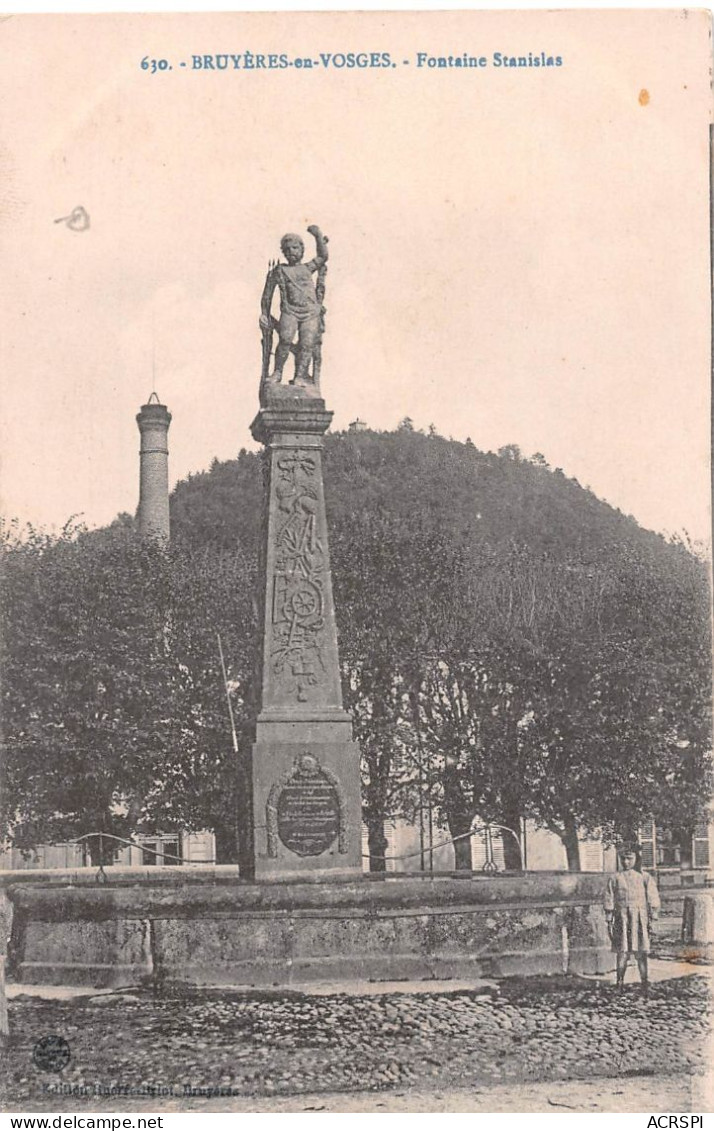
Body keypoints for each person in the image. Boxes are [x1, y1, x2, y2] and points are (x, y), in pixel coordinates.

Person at [260, 225, 329, 386]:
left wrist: (318, 236)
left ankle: (300, 375)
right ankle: (277, 373)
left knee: (307, 343)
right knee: (284, 339)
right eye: (288, 249)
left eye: (295, 247)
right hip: (290, 310)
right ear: (283, 252)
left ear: (302, 249)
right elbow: (267, 295)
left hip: (310, 312)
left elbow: (323, 256)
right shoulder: (279, 271)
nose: (292, 251)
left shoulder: (307, 268)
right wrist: (264, 313)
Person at [604, 845, 660, 995]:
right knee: (622, 951)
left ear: (636, 859)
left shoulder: (644, 877)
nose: (626, 862)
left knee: (641, 951)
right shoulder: (615, 878)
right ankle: (619, 982)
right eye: (623, 858)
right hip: (622, 919)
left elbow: (653, 898)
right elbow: (609, 898)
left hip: (640, 919)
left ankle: (644, 982)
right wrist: (609, 918)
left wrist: (653, 917)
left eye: (630, 858)